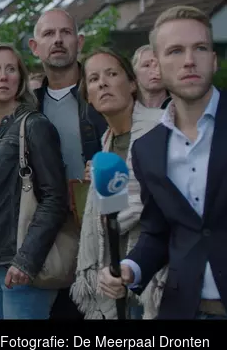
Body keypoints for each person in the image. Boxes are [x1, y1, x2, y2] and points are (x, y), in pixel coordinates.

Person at [98, 6, 227, 320]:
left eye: (200, 48)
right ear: (156, 64)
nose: (189, 60)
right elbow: (157, 232)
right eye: (175, 51)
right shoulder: (147, 149)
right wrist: (130, 268)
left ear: (214, 59)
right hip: (184, 310)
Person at [0, 43, 69, 320]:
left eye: (11, 69)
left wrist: (26, 260)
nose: (3, 76)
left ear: (20, 79)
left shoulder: (34, 125)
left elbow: (55, 199)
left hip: (22, 268)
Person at [70, 47, 165, 319]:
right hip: (116, 282)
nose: (102, 83)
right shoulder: (105, 145)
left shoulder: (162, 128)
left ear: (132, 84)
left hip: (158, 280)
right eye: (93, 79)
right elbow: (108, 217)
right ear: (89, 96)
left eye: (111, 74)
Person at [28, 8, 108, 320]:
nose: (58, 40)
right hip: (48, 238)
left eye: (66, 32)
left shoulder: (102, 96)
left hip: (100, 233)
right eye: (49, 34)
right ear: (35, 47)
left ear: (80, 42)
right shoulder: (27, 107)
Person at [132, 44, 170, 109]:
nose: (154, 70)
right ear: (135, 74)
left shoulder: (179, 107)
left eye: (159, 65)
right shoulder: (127, 109)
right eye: (147, 65)